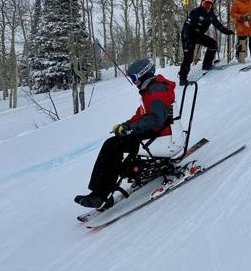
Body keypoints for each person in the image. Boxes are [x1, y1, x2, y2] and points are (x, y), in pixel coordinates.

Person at [75, 59, 177, 208]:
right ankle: (100, 191)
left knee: (113, 146)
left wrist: (132, 127)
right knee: (113, 143)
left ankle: (101, 194)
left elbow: (157, 119)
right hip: (154, 132)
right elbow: (141, 115)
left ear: (143, 74)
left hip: (160, 135)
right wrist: (126, 125)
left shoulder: (156, 90)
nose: (133, 82)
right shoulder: (150, 90)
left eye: (134, 78)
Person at [178, 0, 233, 86]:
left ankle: (207, 65)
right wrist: (187, 40)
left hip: (199, 35)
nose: (207, 6)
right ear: (202, 4)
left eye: (210, 4)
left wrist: (227, 31)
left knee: (213, 44)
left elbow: (218, 25)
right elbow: (186, 27)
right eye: (206, 4)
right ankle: (182, 78)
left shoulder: (211, 15)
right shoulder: (195, 12)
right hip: (188, 35)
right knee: (188, 56)